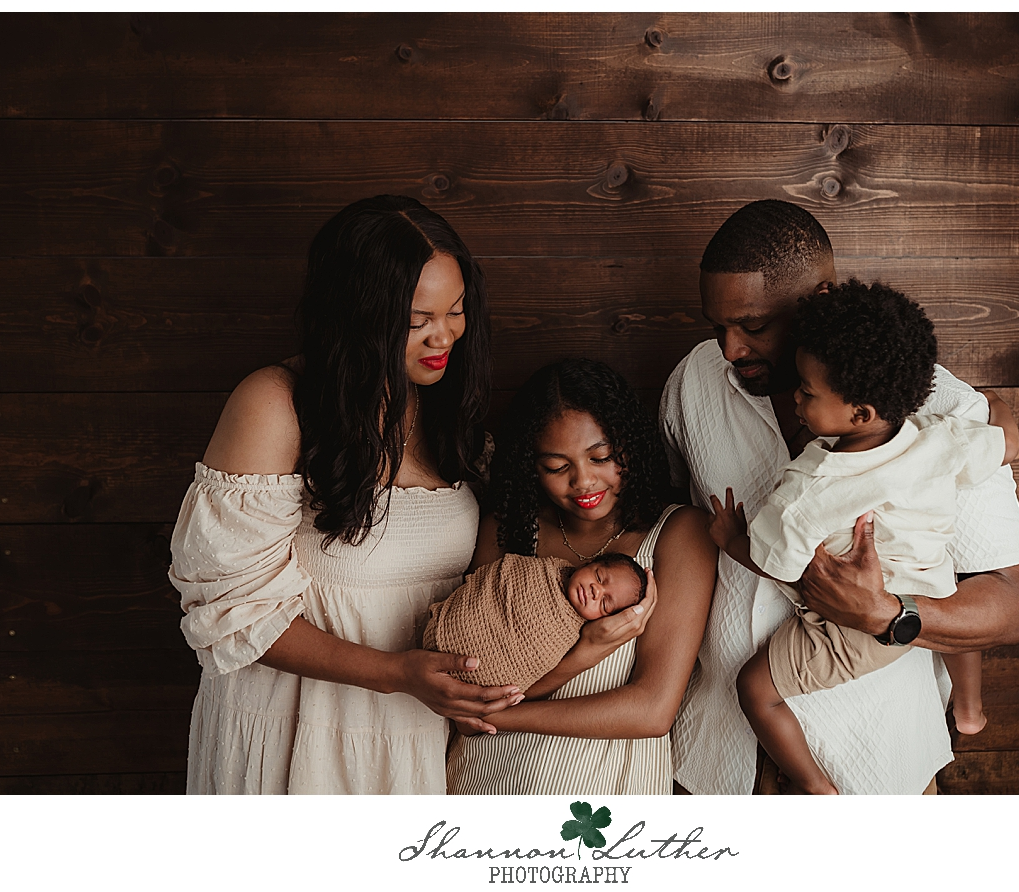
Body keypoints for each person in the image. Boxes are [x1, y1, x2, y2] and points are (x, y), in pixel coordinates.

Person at [662, 200, 1019, 795]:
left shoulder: (940, 407)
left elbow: (1013, 605)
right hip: (718, 758)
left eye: (753, 327)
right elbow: (674, 531)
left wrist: (890, 614)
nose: (730, 350)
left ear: (820, 298)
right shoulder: (693, 381)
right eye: (717, 327)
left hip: (876, 761)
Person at [169, 195, 522, 794]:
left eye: (457, 310)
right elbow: (231, 610)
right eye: (417, 320)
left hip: (415, 727)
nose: (444, 336)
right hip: (298, 725)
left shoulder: (444, 409)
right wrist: (395, 673)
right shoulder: (276, 404)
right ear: (357, 313)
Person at [445, 358, 717, 795]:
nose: (584, 481)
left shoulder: (680, 534)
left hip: (604, 788)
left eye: (602, 457)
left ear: (630, 444)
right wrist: (586, 652)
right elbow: (471, 682)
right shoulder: (509, 528)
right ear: (530, 466)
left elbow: (652, 710)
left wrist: (494, 716)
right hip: (487, 776)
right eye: (556, 467)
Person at [423, 551, 647, 690]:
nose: (596, 591)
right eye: (598, 577)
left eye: (605, 604)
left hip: (474, 684)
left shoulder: (570, 637)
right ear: (588, 562)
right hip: (445, 630)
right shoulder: (537, 570)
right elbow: (496, 577)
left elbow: (536, 667)